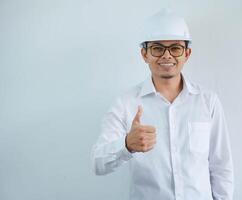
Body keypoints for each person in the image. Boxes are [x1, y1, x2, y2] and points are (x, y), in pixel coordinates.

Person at [91, 8, 234, 200]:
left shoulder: (208, 101)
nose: (167, 56)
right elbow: (97, 163)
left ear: (187, 53)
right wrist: (126, 145)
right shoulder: (125, 104)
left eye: (175, 48)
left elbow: (221, 166)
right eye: (157, 48)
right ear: (144, 54)